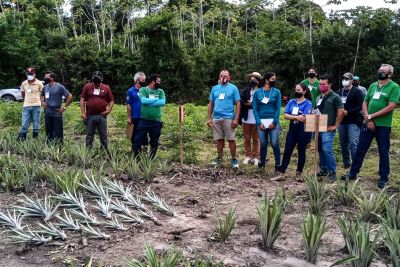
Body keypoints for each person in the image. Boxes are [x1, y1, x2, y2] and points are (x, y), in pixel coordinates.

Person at [342, 64, 400, 189]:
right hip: (367, 123)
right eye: (379, 70)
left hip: (383, 125)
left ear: (390, 74)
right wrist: (368, 117)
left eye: (383, 71)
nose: (380, 72)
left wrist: (371, 116)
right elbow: (365, 102)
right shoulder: (373, 85)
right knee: (360, 149)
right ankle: (353, 173)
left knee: (383, 151)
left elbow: (391, 106)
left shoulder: (394, 87)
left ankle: (384, 177)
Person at [273, 83, 312, 181]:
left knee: (301, 151)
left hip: (303, 130)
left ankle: (299, 173)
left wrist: (295, 116)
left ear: (304, 91)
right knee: (287, 150)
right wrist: (296, 117)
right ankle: (281, 172)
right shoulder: (291, 101)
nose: (297, 92)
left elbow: (304, 117)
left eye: (299, 90)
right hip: (292, 129)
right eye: (296, 90)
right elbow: (285, 115)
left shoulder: (308, 103)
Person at [207, 69, 241, 169]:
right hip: (216, 118)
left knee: (231, 139)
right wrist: (209, 118)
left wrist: (236, 119)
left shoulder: (233, 88)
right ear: (219, 77)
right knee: (219, 140)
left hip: (229, 117)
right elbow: (211, 103)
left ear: (229, 78)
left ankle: (234, 159)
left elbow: (238, 103)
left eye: (225, 76)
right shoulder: (215, 88)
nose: (223, 78)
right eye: (222, 76)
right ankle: (219, 158)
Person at [315, 74, 344, 181]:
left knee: (327, 149)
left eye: (324, 84)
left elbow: (341, 112)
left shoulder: (335, 97)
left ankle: (332, 172)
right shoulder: (319, 97)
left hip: (328, 128)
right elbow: (316, 111)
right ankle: (323, 169)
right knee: (321, 150)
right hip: (318, 128)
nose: (321, 86)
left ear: (329, 84)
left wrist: (335, 125)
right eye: (320, 84)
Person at [252, 72, 282, 172]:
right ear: (266, 80)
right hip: (261, 121)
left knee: (274, 143)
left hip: (273, 121)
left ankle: (278, 164)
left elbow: (278, 108)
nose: (274, 80)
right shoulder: (257, 92)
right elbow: (255, 108)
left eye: (275, 79)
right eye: (273, 79)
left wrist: (274, 122)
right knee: (263, 143)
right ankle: (262, 163)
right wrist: (259, 122)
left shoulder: (277, 92)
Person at [133, 74, 166, 159]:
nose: (160, 83)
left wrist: (149, 102)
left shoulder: (160, 91)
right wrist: (156, 100)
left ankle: (150, 161)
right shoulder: (143, 90)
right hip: (144, 120)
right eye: (158, 81)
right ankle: (137, 159)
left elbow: (162, 102)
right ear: (153, 81)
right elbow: (143, 101)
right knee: (137, 140)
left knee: (154, 142)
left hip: (156, 121)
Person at [80, 71, 114, 149]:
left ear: (101, 79)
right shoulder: (87, 86)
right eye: (94, 78)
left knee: (103, 135)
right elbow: (82, 99)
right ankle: (88, 151)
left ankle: (104, 151)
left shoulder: (106, 87)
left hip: (102, 115)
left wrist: (108, 110)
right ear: (92, 78)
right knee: (89, 135)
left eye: (98, 78)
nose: (96, 79)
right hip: (90, 115)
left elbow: (111, 100)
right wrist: (83, 113)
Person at [337, 72, 364, 169]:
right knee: (343, 143)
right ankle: (346, 163)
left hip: (353, 121)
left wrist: (348, 112)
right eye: (343, 78)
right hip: (342, 121)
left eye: (347, 79)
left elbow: (360, 106)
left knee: (353, 143)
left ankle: (356, 164)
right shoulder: (339, 92)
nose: (345, 80)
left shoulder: (357, 91)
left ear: (352, 80)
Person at [41, 71, 73, 143]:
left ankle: (59, 147)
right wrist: (42, 102)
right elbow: (42, 95)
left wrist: (64, 107)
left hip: (57, 113)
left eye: (46, 77)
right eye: (45, 77)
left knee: (58, 131)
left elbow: (70, 96)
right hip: (47, 113)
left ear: (52, 78)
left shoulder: (59, 86)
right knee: (48, 131)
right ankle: (49, 146)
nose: (45, 78)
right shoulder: (45, 87)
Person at [240, 72, 261, 166]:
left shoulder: (261, 91)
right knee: (246, 138)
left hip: (257, 118)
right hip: (246, 118)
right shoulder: (245, 91)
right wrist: (251, 104)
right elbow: (242, 102)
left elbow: (262, 104)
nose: (252, 81)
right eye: (251, 79)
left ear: (258, 81)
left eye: (255, 79)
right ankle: (248, 156)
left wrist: (251, 104)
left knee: (256, 139)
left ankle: (256, 157)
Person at [18, 67, 44, 140]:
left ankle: (35, 139)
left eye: (31, 74)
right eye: (28, 74)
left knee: (36, 123)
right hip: (26, 106)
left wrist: (41, 102)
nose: (30, 75)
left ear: (34, 74)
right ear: (27, 74)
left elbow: (42, 94)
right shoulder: (24, 83)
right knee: (24, 123)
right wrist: (26, 100)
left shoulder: (39, 83)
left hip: (36, 106)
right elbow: (23, 93)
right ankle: (22, 139)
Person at [127, 72, 148, 152]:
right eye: (143, 80)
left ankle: (144, 148)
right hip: (135, 116)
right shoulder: (131, 91)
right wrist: (129, 117)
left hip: (144, 116)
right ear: (137, 80)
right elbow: (129, 105)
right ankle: (135, 149)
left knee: (144, 133)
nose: (144, 81)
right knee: (134, 133)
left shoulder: (146, 90)